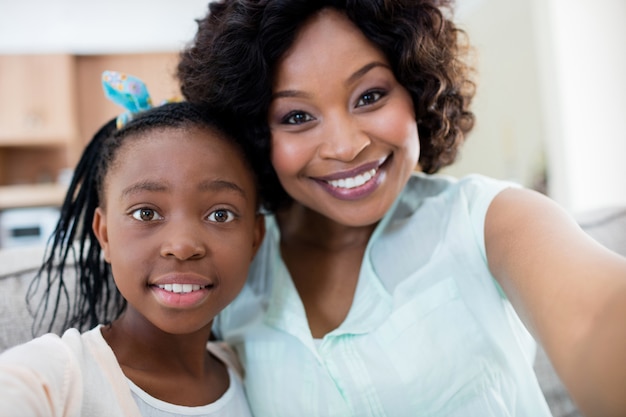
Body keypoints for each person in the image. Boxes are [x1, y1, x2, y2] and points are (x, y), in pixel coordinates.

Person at [177, 1, 626, 416]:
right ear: (254, 132)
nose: (346, 147)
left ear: (416, 89)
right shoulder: (236, 267)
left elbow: (596, 319)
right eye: (297, 117)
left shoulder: (493, 220)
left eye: (369, 96)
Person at [0, 71, 265, 416]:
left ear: (255, 239)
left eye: (219, 215)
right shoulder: (49, 380)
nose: (183, 246)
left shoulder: (253, 375)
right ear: (104, 235)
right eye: (146, 213)